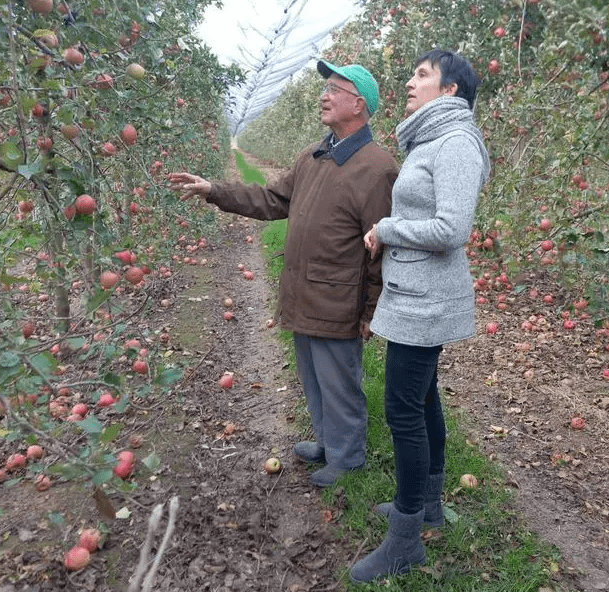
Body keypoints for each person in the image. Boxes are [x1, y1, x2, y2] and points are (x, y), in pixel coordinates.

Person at [168, 60, 398, 488]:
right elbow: (273, 200)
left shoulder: (377, 167)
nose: (323, 95)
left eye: (334, 88)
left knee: (339, 381)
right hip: (302, 291)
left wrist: (371, 309)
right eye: (324, 88)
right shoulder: (313, 156)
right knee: (312, 376)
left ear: (359, 104)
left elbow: (380, 246)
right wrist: (214, 190)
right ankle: (328, 443)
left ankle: (348, 459)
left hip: (337, 297)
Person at [350, 49, 490, 583]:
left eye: (422, 75)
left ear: (449, 90)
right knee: (422, 396)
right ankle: (428, 506)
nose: (410, 82)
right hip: (415, 293)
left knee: (403, 410)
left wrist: (386, 229)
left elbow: (452, 229)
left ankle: (406, 540)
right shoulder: (433, 139)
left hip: (427, 300)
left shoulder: (455, 144)